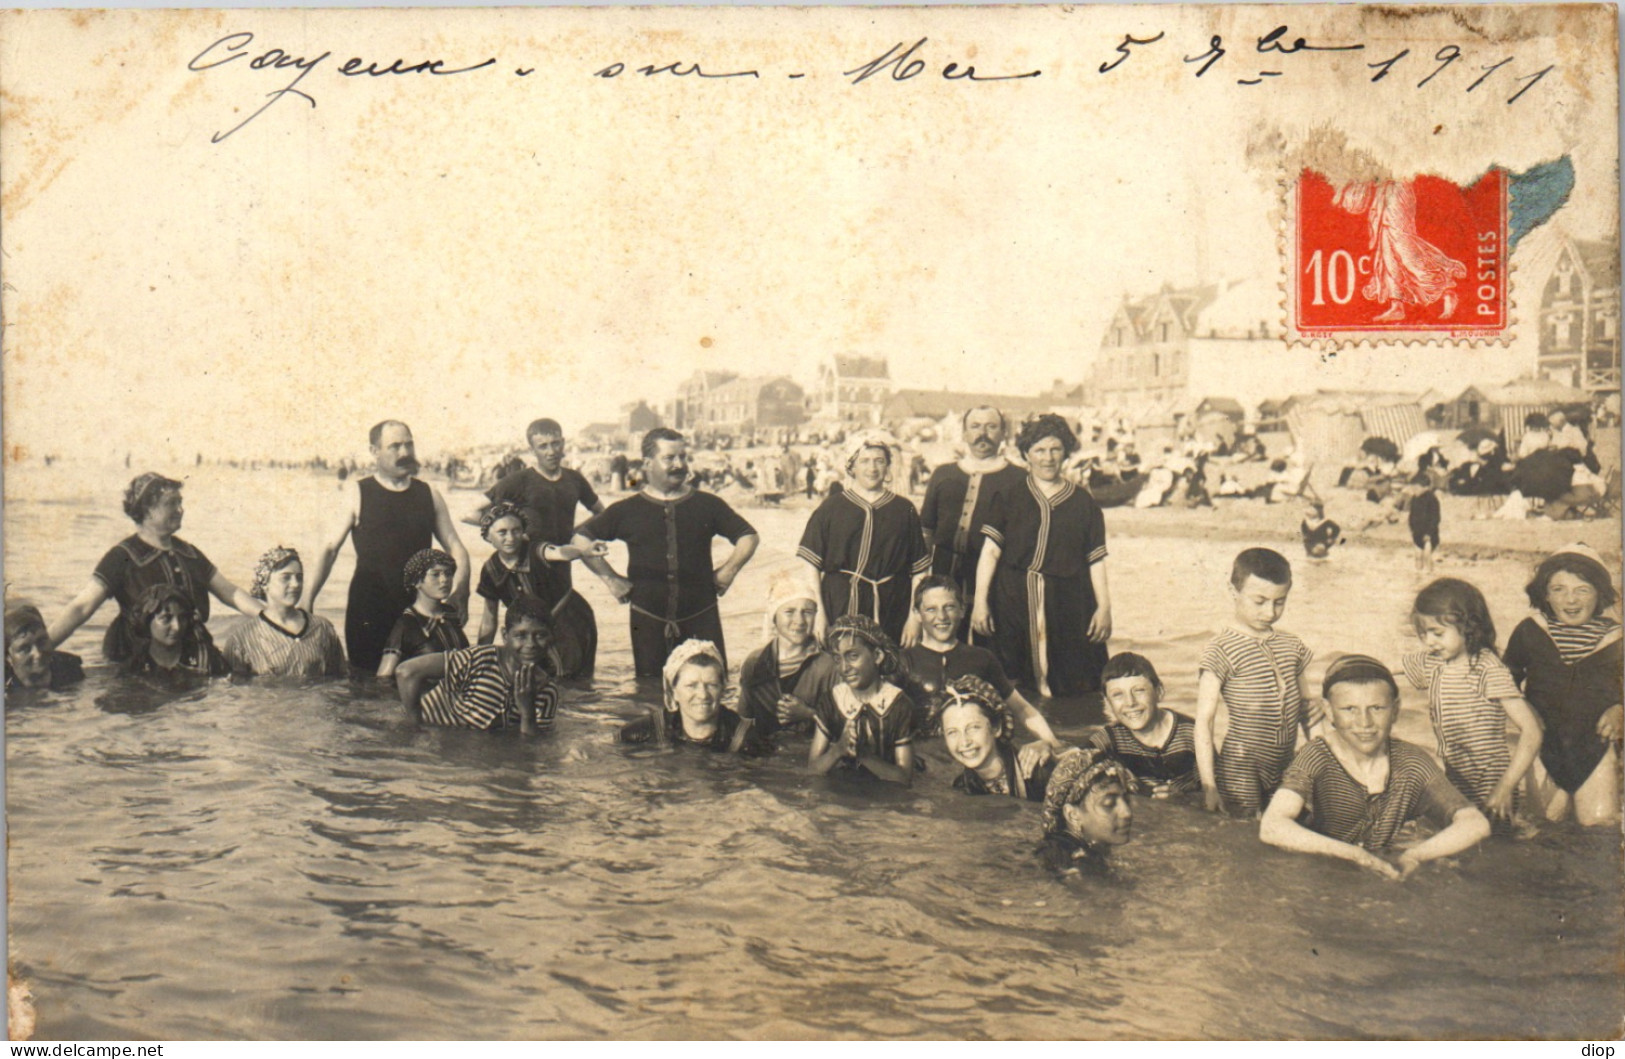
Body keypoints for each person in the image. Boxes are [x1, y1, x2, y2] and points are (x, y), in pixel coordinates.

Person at [1261, 655, 1491, 879]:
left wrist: (1416, 855)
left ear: (1395, 709)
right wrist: (1355, 855)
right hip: (1317, 869)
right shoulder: (1316, 756)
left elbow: (1475, 823)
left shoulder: (1411, 762)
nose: (1364, 722)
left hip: (1375, 869)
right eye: (1349, 709)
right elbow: (1272, 826)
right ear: (1329, 711)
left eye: (1377, 708)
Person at [573, 428, 759, 678]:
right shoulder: (627, 509)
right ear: (648, 463)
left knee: (712, 687)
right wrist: (610, 579)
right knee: (650, 695)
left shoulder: (708, 504)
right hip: (648, 620)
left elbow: (748, 536)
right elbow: (580, 538)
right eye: (670, 458)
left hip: (701, 615)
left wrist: (728, 572)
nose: (680, 464)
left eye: (683, 456)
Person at [302, 421, 471, 673]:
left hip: (417, 612)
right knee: (366, 688)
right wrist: (307, 601)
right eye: (394, 446)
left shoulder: (428, 493)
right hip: (369, 610)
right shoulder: (357, 492)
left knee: (421, 684)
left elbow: (456, 547)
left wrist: (462, 589)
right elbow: (329, 550)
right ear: (374, 451)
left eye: (409, 444)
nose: (404, 453)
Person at [49, 472, 261, 663]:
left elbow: (230, 593)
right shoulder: (122, 556)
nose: (180, 510)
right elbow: (81, 607)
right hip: (136, 657)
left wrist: (272, 618)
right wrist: (43, 647)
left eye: (180, 502)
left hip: (189, 648)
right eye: (171, 503)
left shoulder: (190, 553)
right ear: (147, 510)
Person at [972, 414, 1111, 698]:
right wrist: (979, 603)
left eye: (1055, 449)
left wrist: (1104, 608)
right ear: (1026, 454)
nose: (1048, 458)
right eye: (1039, 450)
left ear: (1066, 453)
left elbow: (1095, 560)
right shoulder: (1008, 496)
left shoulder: (1084, 503)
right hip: (1012, 600)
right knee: (1011, 683)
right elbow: (990, 552)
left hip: (1069, 602)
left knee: (1075, 682)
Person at [1402, 577, 1542, 826]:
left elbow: (1532, 731)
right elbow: (1386, 674)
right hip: (1455, 778)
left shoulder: (1486, 668)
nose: (1429, 641)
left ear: (1469, 626)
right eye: (1423, 634)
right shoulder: (1434, 662)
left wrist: (1506, 787)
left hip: (1493, 783)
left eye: (1437, 633)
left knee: (1495, 850)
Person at [468, 419, 606, 667]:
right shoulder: (519, 480)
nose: (551, 451)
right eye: (543, 446)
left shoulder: (574, 479)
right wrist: (509, 534)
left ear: (563, 443)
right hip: (530, 558)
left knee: (569, 658)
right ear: (532, 449)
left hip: (561, 562)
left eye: (555, 444)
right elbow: (470, 513)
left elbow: (601, 514)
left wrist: (577, 534)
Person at [1505, 546, 1622, 826]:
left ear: (1600, 594)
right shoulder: (1530, 631)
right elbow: (1503, 680)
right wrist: (1522, 710)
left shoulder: (1617, 638)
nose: (1570, 599)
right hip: (1542, 746)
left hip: (1596, 747)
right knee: (1545, 825)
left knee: (1599, 824)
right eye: (1559, 589)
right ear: (1544, 594)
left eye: (1582, 589)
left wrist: (1620, 709)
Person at [1195, 548, 1316, 817]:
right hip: (1241, 764)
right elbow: (1204, 721)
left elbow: (1308, 712)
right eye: (1259, 601)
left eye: (1279, 601)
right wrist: (1208, 784)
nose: (1270, 612)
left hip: (1285, 761)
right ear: (1233, 591)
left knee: (1289, 827)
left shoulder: (1292, 646)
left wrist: (1324, 771)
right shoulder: (1220, 649)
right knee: (1243, 836)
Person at [903, 576, 1061, 759]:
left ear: (962, 610)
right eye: (931, 609)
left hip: (973, 754)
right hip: (926, 758)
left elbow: (1022, 709)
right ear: (916, 613)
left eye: (949, 607)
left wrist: (1054, 744)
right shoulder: (904, 661)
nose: (941, 617)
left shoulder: (981, 658)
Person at [797, 430, 929, 645]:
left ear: (888, 467)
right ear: (852, 466)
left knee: (891, 666)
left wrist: (914, 619)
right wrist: (819, 613)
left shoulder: (904, 509)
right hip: (839, 603)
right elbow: (810, 565)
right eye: (865, 461)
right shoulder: (831, 508)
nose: (872, 468)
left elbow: (919, 570)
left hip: (893, 605)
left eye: (879, 461)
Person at [916, 406, 1028, 636]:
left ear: (1004, 433)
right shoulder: (943, 474)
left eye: (991, 426)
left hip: (997, 580)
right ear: (964, 433)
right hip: (944, 572)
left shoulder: (1019, 479)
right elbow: (925, 533)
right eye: (975, 427)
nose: (982, 433)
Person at [473, 502, 607, 680]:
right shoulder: (490, 570)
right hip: (531, 629)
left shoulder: (536, 550)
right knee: (532, 678)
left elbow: (560, 552)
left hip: (569, 619)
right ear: (488, 537)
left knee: (571, 678)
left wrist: (584, 551)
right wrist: (478, 658)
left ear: (523, 532)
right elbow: (489, 619)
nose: (510, 538)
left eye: (516, 530)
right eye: (502, 532)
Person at [396, 596, 560, 733]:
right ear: (505, 635)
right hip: (434, 736)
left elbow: (529, 750)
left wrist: (527, 712)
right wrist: (416, 731)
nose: (531, 644)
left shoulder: (547, 691)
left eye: (540, 635)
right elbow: (406, 672)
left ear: (552, 637)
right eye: (520, 636)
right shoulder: (478, 659)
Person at [808, 615, 917, 785]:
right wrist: (837, 750)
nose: (844, 668)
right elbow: (812, 770)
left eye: (852, 656)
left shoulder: (900, 705)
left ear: (878, 656)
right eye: (838, 659)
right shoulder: (830, 701)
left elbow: (904, 778)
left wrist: (863, 754)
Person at [736, 569, 838, 739]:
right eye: (789, 612)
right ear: (774, 617)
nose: (799, 621)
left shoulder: (829, 667)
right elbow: (744, 720)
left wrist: (809, 714)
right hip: (764, 754)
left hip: (808, 754)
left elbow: (845, 726)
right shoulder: (754, 662)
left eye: (807, 612)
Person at [1086, 652, 1199, 798]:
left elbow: (1218, 793)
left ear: (1159, 692)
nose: (1130, 702)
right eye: (1118, 695)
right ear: (1107, 702)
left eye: (1139, 691)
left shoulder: (1190, 733)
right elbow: (1075, 762)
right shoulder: (1109, 738)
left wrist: (1184, 798)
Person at [221, 546, 346, 678]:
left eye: (299, 577)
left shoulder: (322, 628)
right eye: (285, 578)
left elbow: (339, 680)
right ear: (265, 584)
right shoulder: (241, 639)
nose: (295, 584)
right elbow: (233, 693)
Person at [618, 639, 762, 752]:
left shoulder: (747, 739)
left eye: (711, 685)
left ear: (723, 689)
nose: (702, 695)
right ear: (673, 691)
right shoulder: (641, 734)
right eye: (691, 686)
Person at [941, 676, 1058, 800]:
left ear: (996, 728)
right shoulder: (961, 787)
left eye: (973, 727)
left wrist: (1054, 756)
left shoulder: (1038, 770)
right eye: (952, 732)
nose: (964, 742)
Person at [1036, 747, 1136, 876]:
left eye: (1126, 800)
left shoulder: (1065, 851)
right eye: (1109, 804)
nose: (1127, 813)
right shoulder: (1077, 863)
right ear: (1073, 815)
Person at [378, 549, 470, 680]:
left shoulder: (450, 614)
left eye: (448, 574)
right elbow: (383, 678)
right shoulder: (406, 624)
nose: (444, 580)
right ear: (417, 582)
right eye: (435, 574)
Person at [121, 584, 229, 678]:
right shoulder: (135, 667)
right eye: (166, 619)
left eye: (182, 618)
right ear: (146, 622)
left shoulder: (206, 659)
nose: (177, 627)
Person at [5, 601, 84, 691]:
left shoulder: (69, 668)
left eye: (41, 642)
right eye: (25, 649)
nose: (38, 654)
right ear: (8, 657)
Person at [1406, 471, 1441, 576]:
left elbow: (1435, 517)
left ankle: (1429, 572)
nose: (1413, 490)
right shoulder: (1414, 499)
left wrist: (1429, 533)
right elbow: (1412, 514)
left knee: (1427, 555)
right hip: (1417, 532)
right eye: (1412, 488)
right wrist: (1411, 527)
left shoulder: (1432, 499)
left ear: (1424, 487)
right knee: (1417, 556)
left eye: (1415, 488)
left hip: (1429, 533)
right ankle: (1418, 574)